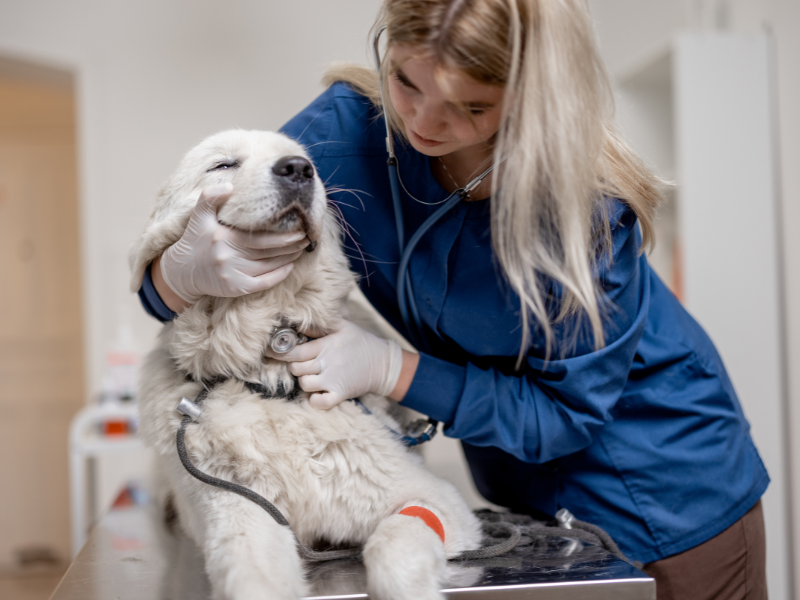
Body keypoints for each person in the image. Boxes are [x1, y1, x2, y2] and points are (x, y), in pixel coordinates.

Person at [138, 0, 769, 597]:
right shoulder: (344, 133)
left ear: (531, 98)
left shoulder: (587, 212)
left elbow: (565, 416)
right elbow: (218, 228)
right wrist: (175, 275)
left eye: (470, 107)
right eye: (407, 83)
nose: (423, 123)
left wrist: (392, 368)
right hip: (523, 496)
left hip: (673, 486)